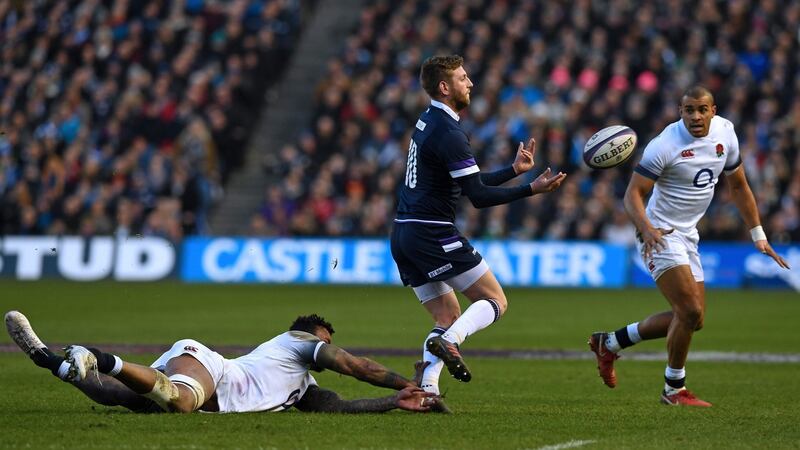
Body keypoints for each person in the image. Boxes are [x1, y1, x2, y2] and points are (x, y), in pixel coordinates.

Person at [588, 86, 790, 407]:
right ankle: (673, 390)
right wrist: (646, 228)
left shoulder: (726, 133)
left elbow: (738, 185)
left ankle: (610, 343)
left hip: (688, 235)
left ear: (713, 110)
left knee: (694, 320)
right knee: (689, 310)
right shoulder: (665, 145)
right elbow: (632, 195)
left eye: (701, 109)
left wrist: (758, 235)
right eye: (688, 110)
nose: (695, 116)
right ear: (680, 111)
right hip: (660, 232)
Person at [390, 55, 567, 398]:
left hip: (404, 234)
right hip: (432, 232)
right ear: (445, 87)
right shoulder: (449, 132)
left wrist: (514, 170)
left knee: (447, 314)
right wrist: (532, 188)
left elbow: (468, 182)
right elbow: (479, 197)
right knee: (495, 299)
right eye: (462, 78)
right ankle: (450, 341)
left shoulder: (429, 121)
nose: (470, 83)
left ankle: (427, 388)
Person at [5, 310, 439, 414]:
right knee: (180, 401)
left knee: (119, 399)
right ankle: (96, 355)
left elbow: (342, 407)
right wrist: (405, 379)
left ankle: (53, 360)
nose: (328, 349)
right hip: (212, 368)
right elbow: (355, 365)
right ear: (312, 334)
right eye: (327, 340)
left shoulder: (302, 388)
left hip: (209, 382)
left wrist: (394, 400)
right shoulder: (297, 341)